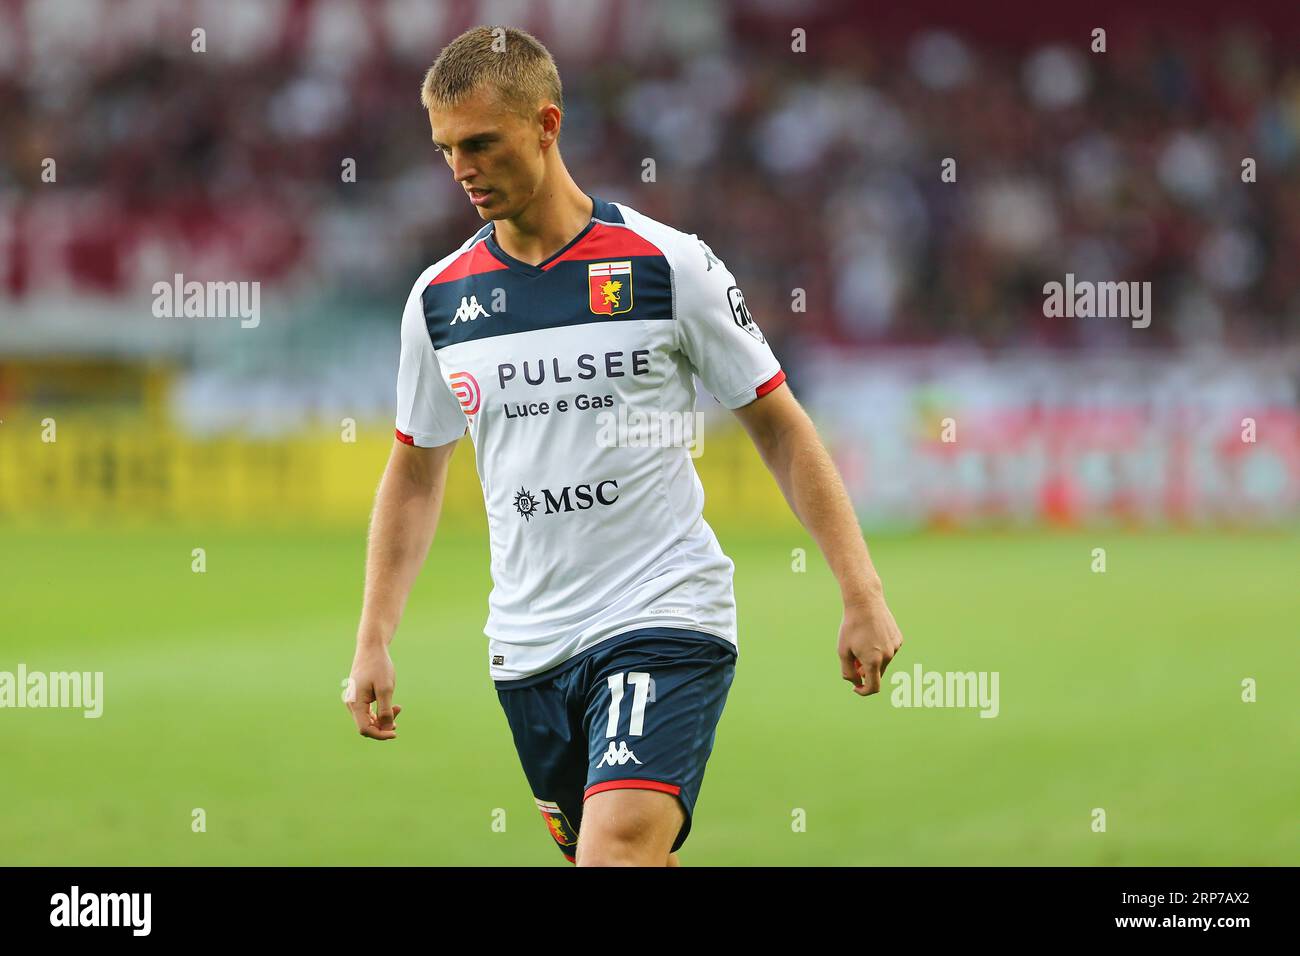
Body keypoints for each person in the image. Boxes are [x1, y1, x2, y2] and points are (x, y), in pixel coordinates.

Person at [345, 25, 903, 867]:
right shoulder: (439, 302)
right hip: (529, 644)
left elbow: (779, 425)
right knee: (626, 859)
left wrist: (860, 589)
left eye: (481, 142)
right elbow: (417, 470)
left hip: (662, 612)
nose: (460, 168)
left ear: (546, 123)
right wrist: (373, 635)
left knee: (617, 853)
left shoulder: (669, 266)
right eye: (447, 148)